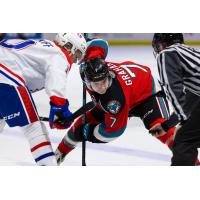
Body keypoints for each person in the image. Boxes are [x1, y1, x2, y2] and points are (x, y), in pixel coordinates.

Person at [54, 38, 178, 165]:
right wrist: (85, 45)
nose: (102, 87)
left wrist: (86, 133)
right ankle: (58, 154)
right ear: (87, 80)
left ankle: (189, 159)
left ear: (109, 75)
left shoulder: (113, 99)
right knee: (81, 123)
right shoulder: (91, 62)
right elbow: (100, 43)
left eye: (104, 81)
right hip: (128, 90)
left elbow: (112, 132)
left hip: (148, 93)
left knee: (158, 128)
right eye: (97, 83)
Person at [0, 33, 87, 165]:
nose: (76, 60)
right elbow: (56, 79)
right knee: (34, 128)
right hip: (5, 76)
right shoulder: (59, 55)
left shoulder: (43, 46)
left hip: (5, 69)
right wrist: (60, 108)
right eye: (78, 54)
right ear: (70, 47)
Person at [150, 33, 200, 165]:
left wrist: (183, 119)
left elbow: (173, 87)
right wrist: (167, 125)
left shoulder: (166, 54)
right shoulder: (191, 54)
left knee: (184, 140)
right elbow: (192, 99)